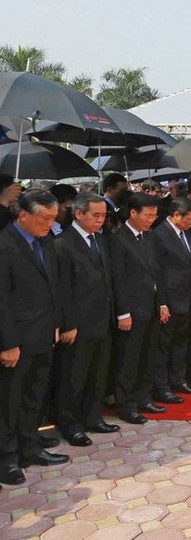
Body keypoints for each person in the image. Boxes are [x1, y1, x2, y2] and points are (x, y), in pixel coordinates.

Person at [0, 190, 71, 487]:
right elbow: (2, 298)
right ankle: (8, 458)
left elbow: (52, 286)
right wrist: (7, 343)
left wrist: (56, 324)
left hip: (43, 333)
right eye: (45, 218)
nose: (50, 224)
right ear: (24, 215)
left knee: (34, 394)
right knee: (9, 400)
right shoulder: (5, 245)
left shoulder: (45, 242)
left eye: (54, 219)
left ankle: (30, 446)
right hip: (16, 339)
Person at [53, 192, 120, 448]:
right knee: (74, 375)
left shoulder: (101, 240)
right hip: (77, 324)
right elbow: (62, 289)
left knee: (97, 372)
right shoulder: (62, 243)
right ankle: (70, 425)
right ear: (78, 214)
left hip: (102, 319)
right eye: (96, 215)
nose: (101, 220)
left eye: (104, 215)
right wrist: (68, 323)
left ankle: (93, 417)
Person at [110, 193, 168, 425]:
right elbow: (118, 279)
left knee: (148, 355)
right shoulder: (117, 239)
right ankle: (127, 404)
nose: (151, 220)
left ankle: (144, 397)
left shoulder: (150, 237)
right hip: (131, 311)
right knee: (129, 359)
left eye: (155, 216)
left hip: (152, 307)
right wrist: (123, 312)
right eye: (148, 215)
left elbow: (158, 272)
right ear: (133, 212)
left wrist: (162, 302)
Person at [151, 197, 191, 400]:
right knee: (164, 346)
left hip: (186, 297)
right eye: (189, 219)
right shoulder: (160, 235)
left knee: (181, 343)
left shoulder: (185, 234)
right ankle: (161, 387)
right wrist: (161, 302)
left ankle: (178, 380)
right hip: (169, 300)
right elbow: (158, 272)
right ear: (176, 215)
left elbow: (190, 265)